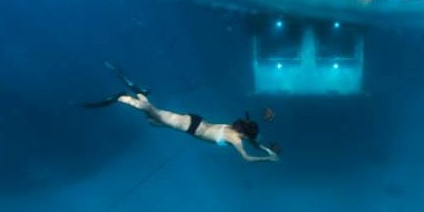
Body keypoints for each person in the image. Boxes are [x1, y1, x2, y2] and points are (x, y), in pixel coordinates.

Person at [80, 63, 280, 163]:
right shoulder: (236, 139)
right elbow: (246, 158)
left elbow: (253, 141)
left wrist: (265, 148)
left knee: (153, 119)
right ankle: (123, 98)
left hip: (194, 121)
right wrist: (267, 158)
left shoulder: (235, 128)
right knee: (153, 114)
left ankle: (141, 94)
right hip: (188, 126)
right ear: (246, 134)